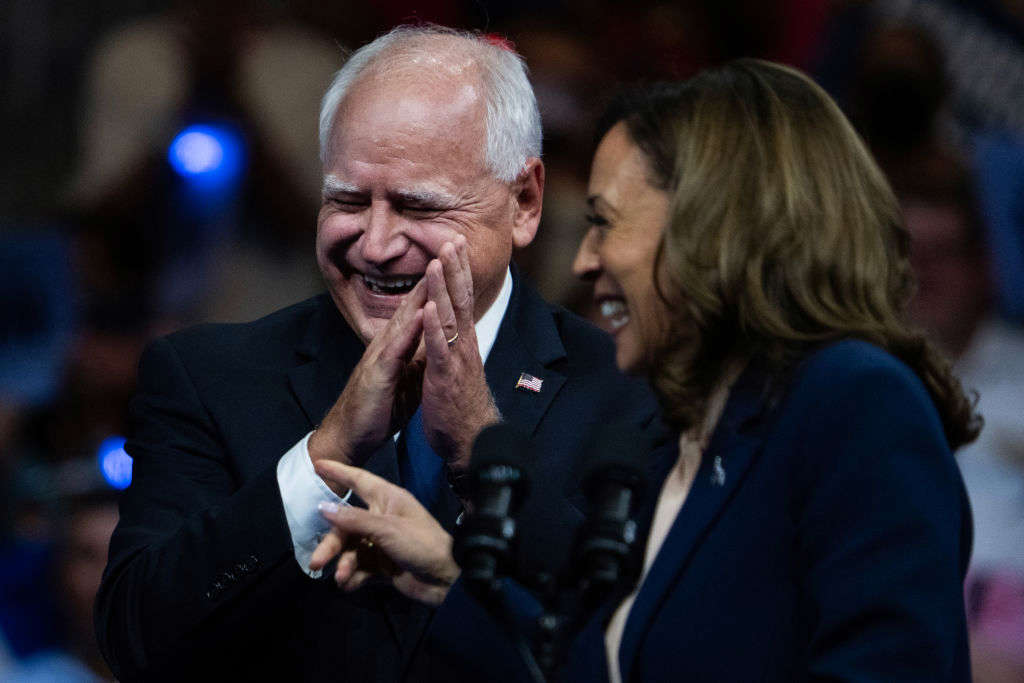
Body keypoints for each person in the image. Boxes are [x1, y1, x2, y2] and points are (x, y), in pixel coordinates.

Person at [311, 59, 979, 681]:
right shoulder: (687, 438)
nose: (584, 261)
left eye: (605, 223)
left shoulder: (855, 402)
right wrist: (449, 578)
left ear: (709, 230)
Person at [94, 25, 660, 682]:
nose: (376, 245)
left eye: (419, 206)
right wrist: (321, 459)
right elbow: (137, 641)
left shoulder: (633, 394)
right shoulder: (206, 378)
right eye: (348, 200)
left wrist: (483, 451)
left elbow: (649, 651)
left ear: (524, 202)